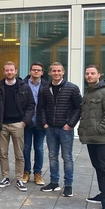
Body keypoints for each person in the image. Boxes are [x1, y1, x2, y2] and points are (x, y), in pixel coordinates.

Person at [0, 61, 35, 192]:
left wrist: (24, 122)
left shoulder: (24, 87)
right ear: (4, 72)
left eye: (11, 70)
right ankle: (5, 177)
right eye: (7, 70)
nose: (9, 72)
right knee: (3, 153)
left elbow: (31, 106)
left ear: (16, 71)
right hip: (1, 125)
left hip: (18, 124)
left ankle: (19, 179)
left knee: (19, 154)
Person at [79, 65, 105, 209]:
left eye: (92, 73)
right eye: (87, 73)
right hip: (91, 138)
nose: (89, 76)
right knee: (97, 166)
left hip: (102, 138)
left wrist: (98, 130)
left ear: (99, 75)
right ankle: (102, 193)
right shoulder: (89, 93)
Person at [38, 62, 82, 196]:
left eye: (59, 71)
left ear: (63, 72)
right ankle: (54, 182)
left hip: (65, 129)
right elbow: (42, 107)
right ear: (50, 73)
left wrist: (70, 124)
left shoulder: (72, 88)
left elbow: (79, 107)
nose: (56, 73)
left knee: (67, 157)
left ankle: (68, 185)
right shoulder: (45, 88)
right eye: (54, 71)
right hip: (50, 128)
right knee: (52, 156)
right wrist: (45, 123)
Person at [22, 62, 48, 186]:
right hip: (26, 122)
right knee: (26, 148)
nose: (36, 72)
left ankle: (37, 173)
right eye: (34, 70)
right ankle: (26, 171)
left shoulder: (47, 86)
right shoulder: (22, 84)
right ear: (30, 71)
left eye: (38, 70)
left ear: (42, 72)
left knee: (39, 148)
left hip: (40, 122)